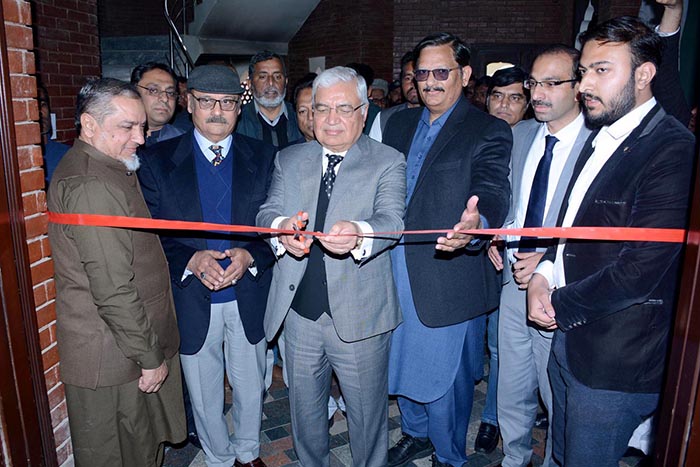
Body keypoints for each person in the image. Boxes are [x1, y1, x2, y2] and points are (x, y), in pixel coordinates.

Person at [527, 16, 695, 467]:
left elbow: (641, 270)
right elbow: (569, 226)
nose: (585, 84)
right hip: (569, 341)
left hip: (613, 361)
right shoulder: (598, 132)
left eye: (603, 70)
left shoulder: (673, 149)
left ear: (644, 75)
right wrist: (543, 274)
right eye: (584, 71)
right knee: (562, 456)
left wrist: (559, 303)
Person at [257, 66, 406, 467]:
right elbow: (267, 211)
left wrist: (359, 232)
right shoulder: (290, 159)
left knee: (367, 419)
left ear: (363, 112)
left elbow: (393, 221)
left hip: (361, 316)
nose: (332, 120)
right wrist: (279, 229)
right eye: (322, 109)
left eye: (344, 108)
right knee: (305, 417)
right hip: (300, 315)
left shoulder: (387, 161)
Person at [382, 32, 511, 467]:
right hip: (392, 268)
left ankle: (449, 454)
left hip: (448, 268)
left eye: (442, 72)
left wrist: (479, 227)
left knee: (446, 379)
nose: (431, 81)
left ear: (466, 74)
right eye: (423, 73)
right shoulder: (396, 123)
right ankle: (415, 434)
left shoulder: (487, 128)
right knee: (400, 365)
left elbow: (492, 189)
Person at [138, 64, 276, 467]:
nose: (218, 110)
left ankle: (248, 453)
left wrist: (252, 254)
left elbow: (279, 224)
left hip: (247, 291)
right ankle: (218, 456)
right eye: (207, 101)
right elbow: (150, 234)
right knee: (203, 389)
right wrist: (191, 259)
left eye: (228, 102)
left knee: (251, 386)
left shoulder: (265, 156)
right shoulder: (155, 161)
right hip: (192, 296)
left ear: (238, 107)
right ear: (190, 103)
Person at [48, 78, 185, 466]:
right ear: (89, 125)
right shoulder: (92, 184)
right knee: (126, 455)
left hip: (122, 346)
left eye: (142, 126)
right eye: (127, 127)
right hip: (113, 355)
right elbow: (112, 289)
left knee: (144, 449)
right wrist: (149, 356)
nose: (140, 138)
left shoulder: (109, 166)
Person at [488, 44, 590, 467]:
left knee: (556, 390)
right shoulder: (520, 135)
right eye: (534, 83)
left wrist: (550, 256)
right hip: (514, 280)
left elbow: (597, 225)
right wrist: (499, 235)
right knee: (511, 384)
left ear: (579, 85)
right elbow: (512, 202)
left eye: (553, 83)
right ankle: (515, 458)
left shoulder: (599, 144)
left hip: (561, 288)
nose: (539, 93)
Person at [236, 50, 301, 148]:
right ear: (250, 84)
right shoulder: (237, 121)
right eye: (263, 77)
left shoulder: (300, 117)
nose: (271, 83)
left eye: (277, 77)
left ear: (286, 81)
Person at [369, 51, 422, 142]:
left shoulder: (439, 116)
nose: (412, 84)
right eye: (408, 78)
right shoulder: (385, 118)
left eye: (418, 77)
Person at [131, 62, 184, 146]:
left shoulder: (184, 142)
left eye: (170, 93)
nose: (165, 98)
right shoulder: (115, 138)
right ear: (134, 92)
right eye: (154, 90)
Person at [38, 83, 70, 184]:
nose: (40, 112)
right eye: (33, 105)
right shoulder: (18, 159)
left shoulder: (66, 154)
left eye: (43, 104)